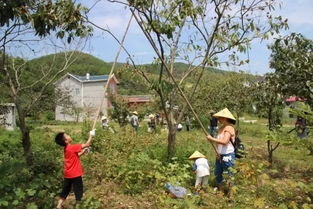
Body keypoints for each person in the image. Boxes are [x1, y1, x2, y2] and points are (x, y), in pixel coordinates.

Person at [54, 129, 95, 209]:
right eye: (67, 136)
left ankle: (59, 205)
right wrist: (91, 135)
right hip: (75, 174)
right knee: (78, 190)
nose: (69, 136)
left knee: (65, 190)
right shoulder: (72, 147)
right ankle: (79, 205)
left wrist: (83, 152)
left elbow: (75, 156)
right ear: (66, 141)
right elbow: (87, 144)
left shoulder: (66, 148)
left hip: (68, 174)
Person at [206, 108, 236, 195]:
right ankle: (221, 192)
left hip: (228, 155)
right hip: (220, 155)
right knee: (217, 173)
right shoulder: (220, 128)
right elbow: (218, 143)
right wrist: (217, 152)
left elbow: (225, 141)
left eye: (220, 118)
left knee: (229, 174)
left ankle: (231, 195)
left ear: (225, 118)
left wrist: (212, 138)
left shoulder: (229, 128)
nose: (218, 119)